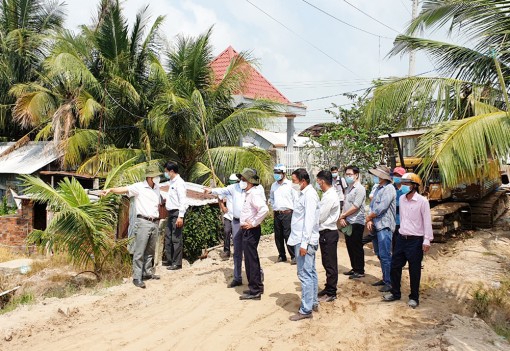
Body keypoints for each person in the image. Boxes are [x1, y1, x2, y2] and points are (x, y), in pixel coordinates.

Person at [101, 164, 163, 288]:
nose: (158, 178)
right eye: (156, 176)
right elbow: (124, 189)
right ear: (150, 177)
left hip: (154, 222)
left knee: (150, 250)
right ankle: (137, 277)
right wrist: (111, 190)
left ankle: (147, 272)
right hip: (143, 222)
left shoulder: (157, 188)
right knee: (139, 250)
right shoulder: (139, 187)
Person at [383, 173, 433, 308]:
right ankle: (395, 292)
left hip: (415, 240)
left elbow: (427, 221)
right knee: (395, 266)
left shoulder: (423, 201)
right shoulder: (402, 200)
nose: (404, 186)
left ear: (414, 186)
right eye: (403, 183)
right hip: (401, 238)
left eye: (407, 184)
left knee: (414, 269)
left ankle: (414, 297)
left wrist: (426, 240)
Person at [288, 168, 320, 321]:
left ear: (303, 181)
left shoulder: (310, 195)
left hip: (304, 240)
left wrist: (304, 244)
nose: (292, 184)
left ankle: (306, 309)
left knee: (304, 274)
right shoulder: (304, 193)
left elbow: (309, 221)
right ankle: (312, 302)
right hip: (301, 239)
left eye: (294, 181)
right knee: (310, 272)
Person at [238, 169, 269, 300]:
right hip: (248, 230)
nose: (241, 182)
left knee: (251, 260)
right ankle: (256, 287)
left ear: (250, 182)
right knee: (251, 259)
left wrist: (254, 223)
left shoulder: (254, 194)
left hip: (250, 231)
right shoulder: (249, 193)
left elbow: (264, 209)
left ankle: (255, 290)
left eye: (243, 180)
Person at [366, 165, 396, 293]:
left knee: (385, 255)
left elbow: (381, 208)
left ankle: (390, 282)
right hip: (376, 225)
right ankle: (385, 278)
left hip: (384, 225)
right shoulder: (379, 188)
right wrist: (371, 219)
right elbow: (372, 206)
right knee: (379, 254)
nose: (376, 177)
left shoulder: (389, 189)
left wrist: (369, 218)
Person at [338, 165, 366, 280]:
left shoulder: (360, 189)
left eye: (350, 174)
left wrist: (343, 215)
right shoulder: (348, 188)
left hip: (357, 221)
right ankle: (354, 267)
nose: (348, 176)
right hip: (348, 221)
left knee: (357, 246)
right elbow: (346, 204)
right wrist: (343, 217)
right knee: (350, 245)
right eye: (347, 175)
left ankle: (360, 270)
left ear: (356, 175)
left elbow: (356, 206)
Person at [316, 170, 340, 303]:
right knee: (326, 262)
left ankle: (331, 292)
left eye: (318, 180)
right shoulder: (327, 194)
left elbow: (321, 216)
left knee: (330, 264)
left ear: (322, 181)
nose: (318, 183)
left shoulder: (330, 196)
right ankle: (328, 287)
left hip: (328, 232)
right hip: (326, 232)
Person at [160, 161, 187, 271]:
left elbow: (183, 201)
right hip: (170, 213)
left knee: (176, 238)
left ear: (171, 171)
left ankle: (177, 263)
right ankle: (170, 260)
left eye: (166, 171)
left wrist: (181, 216)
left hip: (176, 213)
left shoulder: (179, 183)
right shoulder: (171, 182)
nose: (165, 173)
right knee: (168, 237)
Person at [269, 164, 296, 264]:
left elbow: (296, 198)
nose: (276, 175)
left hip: (288, 213)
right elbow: (271, 197)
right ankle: (282, 255)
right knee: (278, 235)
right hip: (277, 213)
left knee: (288, 235)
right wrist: (273, 206)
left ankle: (293, 256)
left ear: (284, 174)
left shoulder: (291, 184)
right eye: (275, 173)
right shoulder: (273, 185)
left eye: (278, 173)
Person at [218, 174, 239, 260]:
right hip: (228, 216)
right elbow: (219, 197)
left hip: (237, 216)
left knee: (236, 235)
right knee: (227, 231)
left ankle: (238, 251)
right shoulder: (227, 190)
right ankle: (226, 251)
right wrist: (222, 207)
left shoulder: (240, 190)